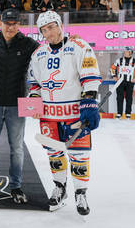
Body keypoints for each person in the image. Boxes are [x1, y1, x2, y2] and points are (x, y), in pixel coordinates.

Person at [28, 11, 102, 215]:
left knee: (79, 155)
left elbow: (90, 76)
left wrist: (89, 103)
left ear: (60, 25)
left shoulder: (79, 46)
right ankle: (60, 189)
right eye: (44, 30)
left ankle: (80, 192)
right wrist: (34, 100)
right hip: (49, 116)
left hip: (73, 115)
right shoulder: (37, 54)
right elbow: (34, 84)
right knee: (54, 155)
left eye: (51, 27)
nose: (48, 32)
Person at [0, 8, 39, 204]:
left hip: (18, 104)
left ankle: (16, 187)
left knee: (17, 148)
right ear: (0, 23)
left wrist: (68, 40)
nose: (11, 27)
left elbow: (49, 53)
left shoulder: (29, 45)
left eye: (14, 23)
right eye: (7, 23)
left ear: (19, 24)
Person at [110, 47, 135, 119]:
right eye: (124, 51)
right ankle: (119, 113)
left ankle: (128, 113)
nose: (125, 52)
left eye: (126, 51)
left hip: (130, 82)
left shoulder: (134, 61)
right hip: (120, 81)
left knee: (129, 98)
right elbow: (112, 67)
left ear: (130, 52)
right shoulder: (119, 60)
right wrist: (114, 76)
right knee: (119, 98)